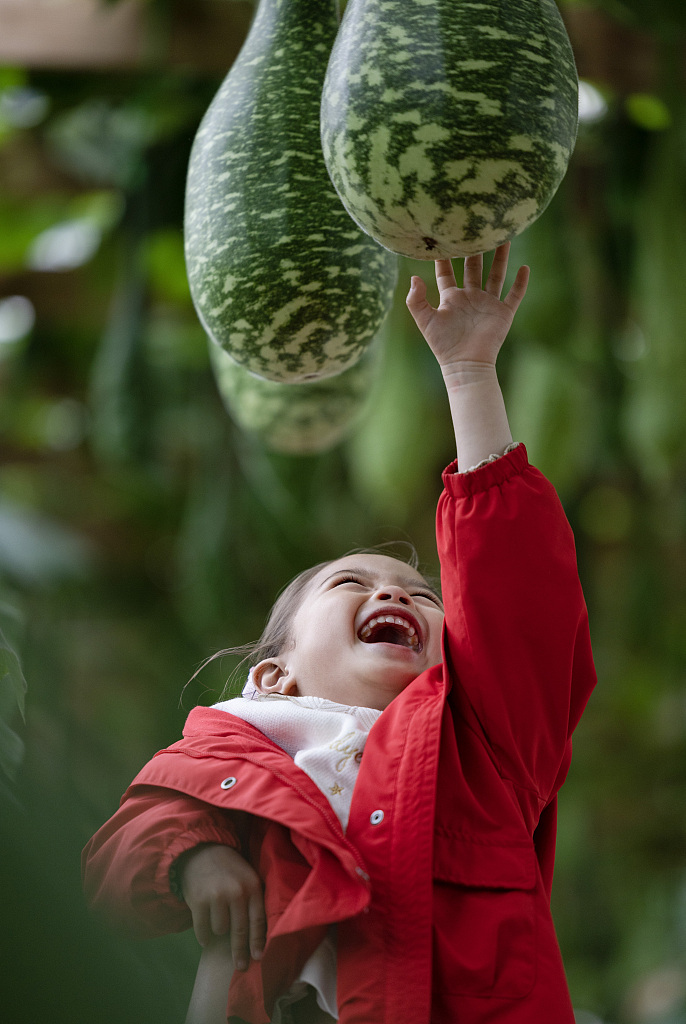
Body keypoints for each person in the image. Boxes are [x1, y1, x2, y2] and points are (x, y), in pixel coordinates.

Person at [82, 244, 597, 1024]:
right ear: (273, 678)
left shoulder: (485, 747)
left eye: (426, 598)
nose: (395, 591)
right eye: (349, 583)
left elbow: (517, 595)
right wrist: (197, 859)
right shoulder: (225, 754)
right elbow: (117, 867)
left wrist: (468, 373)